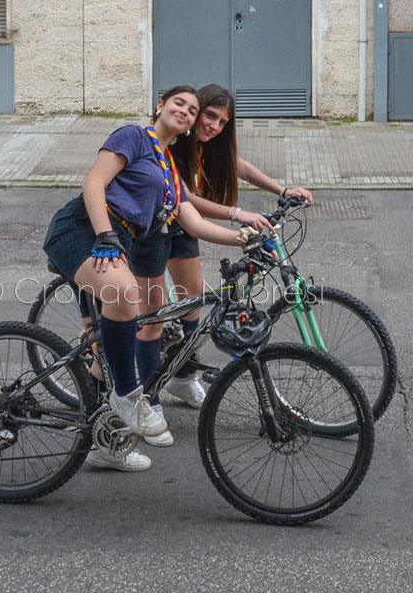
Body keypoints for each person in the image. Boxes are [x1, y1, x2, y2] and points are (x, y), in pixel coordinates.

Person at [42, 85, 259, 472]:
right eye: (180, 103)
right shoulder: (133, 137)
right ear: (160, 105)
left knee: (108, 347)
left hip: (117, 239)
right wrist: (106, 234)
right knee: (128, 295)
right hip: (83, 229)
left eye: (193, 111)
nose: (187, 113)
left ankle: (104, 443)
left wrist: (246, 238)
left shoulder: (170, 169)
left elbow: (192, 221)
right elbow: (93, 183)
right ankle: (129, 396)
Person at [130, 84, 314, 448]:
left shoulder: (203, 142)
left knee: (193, 301)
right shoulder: (173, 140)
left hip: (181, 225)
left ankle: (181, 374)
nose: (213, 125)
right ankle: (145, 400)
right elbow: (187, 198)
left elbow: (237, 165)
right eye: (209, 116)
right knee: (152, 319)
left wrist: (281, 189)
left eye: (221, 122)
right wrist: (238, 215)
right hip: (152, 228)